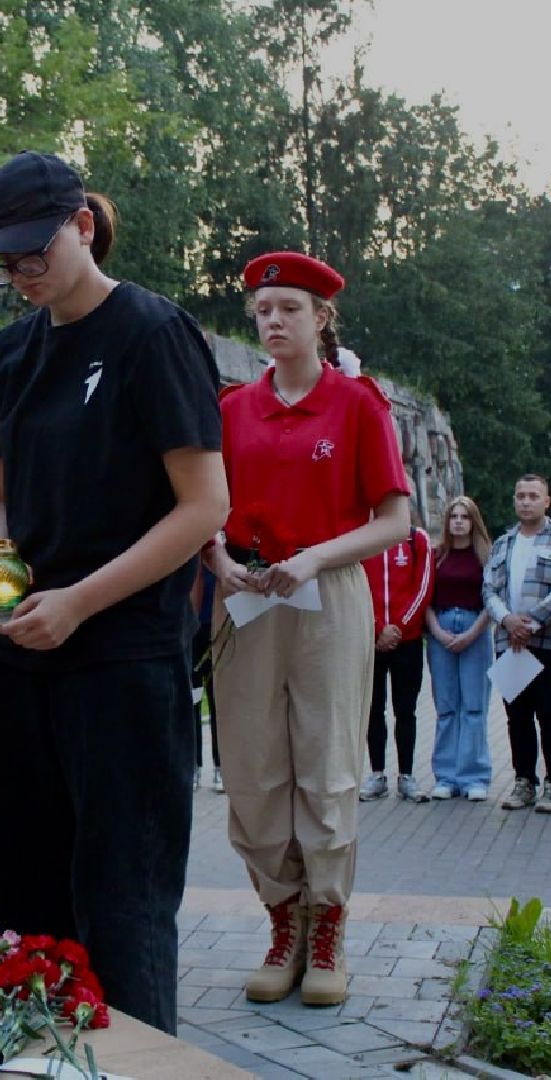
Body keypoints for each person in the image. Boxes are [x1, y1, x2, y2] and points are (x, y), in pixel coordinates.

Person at [0, 152, 228, 1034]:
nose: (21, 276)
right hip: (21, 655)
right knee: (27, 894)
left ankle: (139, 1058)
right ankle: (39, 1051)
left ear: (82, 225)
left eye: (34, 253)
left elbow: (203, 507)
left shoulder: (152, 333)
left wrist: (78, 600)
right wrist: (0, 579)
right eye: (5, 262)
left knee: (122, 902)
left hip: (122, 658)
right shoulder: (9, 351)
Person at [207, 251, 411, 1009]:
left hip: (326, 591)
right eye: (263, 311)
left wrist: (316, 556)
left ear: (322, 319)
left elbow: (394, 520)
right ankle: (279, 920)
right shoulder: (230, 410)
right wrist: (217, 557)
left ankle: (326, 927)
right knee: (254, 766)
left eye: (289, 308)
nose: (273, 322)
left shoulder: (356, 404)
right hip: (248, 597)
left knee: (325, 761)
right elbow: (202, 506)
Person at [481, 474, 551, 814]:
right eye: (520, 495)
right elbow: (488, 589)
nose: (526, 501)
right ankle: (524, 781)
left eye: (533, 496)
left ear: (546, 501)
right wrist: (508, 621)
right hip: (508, 642)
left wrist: (531, 623)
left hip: (548, 641)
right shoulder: (502, 543)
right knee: (516, 715)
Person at [424, 496, 494, 802]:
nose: (459, 522)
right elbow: (424, 598)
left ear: (473, 521)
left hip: (475, 630)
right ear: (447, 522)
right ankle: (446, 776)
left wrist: (473, 632)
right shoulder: (436, 556)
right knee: (447, 707)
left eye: (465, 517)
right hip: (440, 629)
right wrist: (437, 631)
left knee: (474, 706)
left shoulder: (486, 557)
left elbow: (492, 601)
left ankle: (473, 776)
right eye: (454, 516)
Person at [360, 521, 433, 802]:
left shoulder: (417, 538)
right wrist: (378, 627)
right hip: (372, 639)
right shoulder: (363, 537)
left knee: (406, 709)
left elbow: (423, 587)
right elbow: (358, 587)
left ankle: (407, 775)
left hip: (408, 640)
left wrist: (399, 626)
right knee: (373, 708)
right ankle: (377, 774)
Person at [188, 563, 223, 793]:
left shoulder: (220, 546)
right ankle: (193, 766)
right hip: (191, 628)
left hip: (216, 625)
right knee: (192, 700)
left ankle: (221, 767)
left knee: (218, 701)